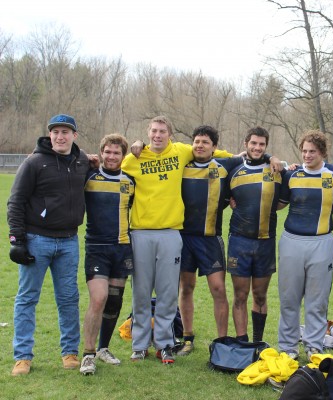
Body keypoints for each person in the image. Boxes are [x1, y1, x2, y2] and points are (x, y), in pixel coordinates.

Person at [121, 115, 231, 364]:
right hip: (140, 232)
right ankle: (139, 345)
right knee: (140, 290)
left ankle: (164, 344)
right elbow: (111, 164)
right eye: (153, 131)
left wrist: (269, 158)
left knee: (168, 292)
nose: (157, 135)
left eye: (162, 131)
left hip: (171, 232)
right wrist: (132, 145)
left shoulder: (182, 151)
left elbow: (219, 152)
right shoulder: (134, 158)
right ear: (148, 133)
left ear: (170, 135)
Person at [8, 114, 89, 376]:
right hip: (36, 240)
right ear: (49, 134)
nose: (60, 136)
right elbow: (16, 202)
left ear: (74, 136)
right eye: (55, 132)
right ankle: (22, 357)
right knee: (27, 299)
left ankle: (69, 353)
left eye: (65, 132)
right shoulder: (34, 162)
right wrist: (17, 240)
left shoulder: (82, 161)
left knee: (68, 299)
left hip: (68, 242)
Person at [277, 130, 333, 360]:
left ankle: (314, 345)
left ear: (322, 152)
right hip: (292, 242)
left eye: (312, 151)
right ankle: (288, 347)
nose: (307, 155)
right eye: (304, 151)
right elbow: (278, 204)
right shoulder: (291, 175)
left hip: (322, 243)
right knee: (289, 298)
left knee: (317, 300)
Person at [177, 125, 242, 355]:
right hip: (183, 238)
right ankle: (187, 337)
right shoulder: (181, 165)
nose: (200, 145)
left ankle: (221, 341)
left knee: (218, 289)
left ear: (214, 147)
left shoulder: (225, 166)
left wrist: (270, 157)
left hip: (210, 239)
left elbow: (252, 158)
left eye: (205, 142)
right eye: (196, 141)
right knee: (186, 287)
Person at [79, 134, 135, 375]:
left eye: (116, 153)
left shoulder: (131, 181)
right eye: (108, 152)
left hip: (122, 248)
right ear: (101, 153)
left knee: (114, 300)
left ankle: (103, 348)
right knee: (99, 299)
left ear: (123, 156)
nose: (112, 156)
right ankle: (88, 354)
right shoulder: (88, 176)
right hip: (97, 248)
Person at [227, 127, 282, 343]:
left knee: (260, 295)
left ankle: (258, 343)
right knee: (240, 296)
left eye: (262, 145)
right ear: (245, 144)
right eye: (254, 143)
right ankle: (242, 343)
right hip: (239, 242)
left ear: (266, 147)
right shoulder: (232, 168)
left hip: (265, 242)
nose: (257, 148)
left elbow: (282, 202)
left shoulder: (277, 171)